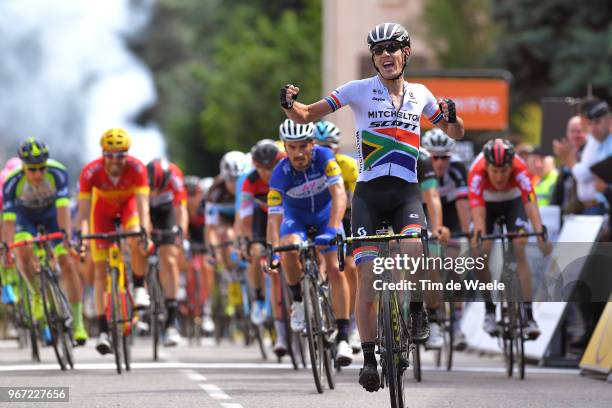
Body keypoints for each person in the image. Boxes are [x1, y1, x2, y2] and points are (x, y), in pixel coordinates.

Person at [279, 22, 464, 391]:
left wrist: (453, 115)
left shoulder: (421, 94)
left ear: (405, 53)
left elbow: (457, 132)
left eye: (392, 48)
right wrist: (287, 103)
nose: (384, 55)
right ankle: (367, 358)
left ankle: (414, 311)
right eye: (377, 50)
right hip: (369, 195)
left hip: (406, 193)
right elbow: (306, 116)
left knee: (414, 250)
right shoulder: (358, 90)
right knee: (367, 278)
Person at [266, 119, 354, 367]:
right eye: (292, 147)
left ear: (312, 144)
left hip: (327, 217)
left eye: (303, 146)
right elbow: (274, 218)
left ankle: (344, 337)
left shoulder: (325, 157)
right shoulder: (279, 173)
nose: (298, 153)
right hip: (297, 221)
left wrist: (335, 227)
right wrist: (273, 250)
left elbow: (339, 195)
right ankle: (298, 301)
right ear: (285, 146)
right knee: (289, 247)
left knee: (337, 269)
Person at [2, 139, 88, 345]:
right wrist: (6, 250)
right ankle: (37, 295)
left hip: (52, 218)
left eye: (42, 167)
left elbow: (63, 211)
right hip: (26, 218)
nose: (38, 174)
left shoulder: (58, 173)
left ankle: (78, 323)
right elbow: (8, 222)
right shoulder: (13, 182)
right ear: (23, 167)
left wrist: (66, 238)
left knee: (67, 262)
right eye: (32, 170)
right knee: (22, 249)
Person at [77, 128, 151, 355]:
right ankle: (101, 330)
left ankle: (139, 287)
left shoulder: (137, 168)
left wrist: (145, 235)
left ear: (127, 154)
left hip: (128, 207)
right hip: (102, 212)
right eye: (110, 154)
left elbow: (143, 207)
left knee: (138, 236)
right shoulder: (91, 172)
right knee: (100, 271)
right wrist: (83, 239)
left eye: (121, 155)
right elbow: (84, 214)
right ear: (103, 153)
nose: (115, 160)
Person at [468, 138, 548, 340]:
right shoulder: (476, 173)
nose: (499, 177)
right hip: (487, 205)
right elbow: (478, 216)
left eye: (504, 171)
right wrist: (479, 235)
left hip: (513, 202)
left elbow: (531, 204)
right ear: (486, 166)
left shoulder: (520, 168)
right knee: (480, 252)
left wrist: (539, 233)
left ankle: (529, 317)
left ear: (511, 166)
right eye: (494, 171)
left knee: (519, 248)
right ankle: (489, 310)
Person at [312, 120, 361, 352]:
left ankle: (350, 324)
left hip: (348, 216)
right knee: (318, 261)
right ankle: (316, 297)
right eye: (319, 146)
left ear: (337, 149)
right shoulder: (309, 167)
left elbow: (361, 201)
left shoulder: (349, 167)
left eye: (328, 146)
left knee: (350, 267)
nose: (324, 151)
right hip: (321, 216)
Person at [421, 128, 470, 349]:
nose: (439, 163)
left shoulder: (457, 169)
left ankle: (457, 323)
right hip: (422, 211)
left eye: (444, 158)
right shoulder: (418, 165)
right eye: (435, 157)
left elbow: (462, 206)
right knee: (427, 261)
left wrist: (466, 233)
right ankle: (429, 313)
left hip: (449, 214)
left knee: (455, 264)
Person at [238, 139, 287, 355]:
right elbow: (245, 218)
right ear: (255, 165)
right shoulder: (249, 182)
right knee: (256, 252)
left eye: (272, 167)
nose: (267, 173)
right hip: (261, 219)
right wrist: (245, 241)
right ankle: (257, 298)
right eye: (262, 168)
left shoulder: (286, 170)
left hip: (286, 217)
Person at [147, 158, 188, 346]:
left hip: (167, 212)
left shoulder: (175, 176)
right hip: (146, 211)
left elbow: (181, 209)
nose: (155, 192)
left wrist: (181, 235)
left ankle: (172, 322)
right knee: (140, 244)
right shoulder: (142, 178)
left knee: (170, 259)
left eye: (158, 188)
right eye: (152, 188)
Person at [183, 175, 215, 333]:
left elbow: (210, 229)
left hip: (204, 239)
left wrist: (211, 248)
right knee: (185, 264)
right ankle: (182, 290)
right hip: (188, 239)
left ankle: (206, 307)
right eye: (187, 195)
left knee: (206, 267)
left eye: (194, 194)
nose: (191, 199)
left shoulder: (205, 206)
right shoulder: (180, 207)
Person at [552, 116, 588, 216]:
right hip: (565, 214)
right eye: (572, 131)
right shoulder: (566, 154)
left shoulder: (590, 155)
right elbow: (559, 190)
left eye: (579, 131)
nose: (576, 135)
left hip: (583, 213)